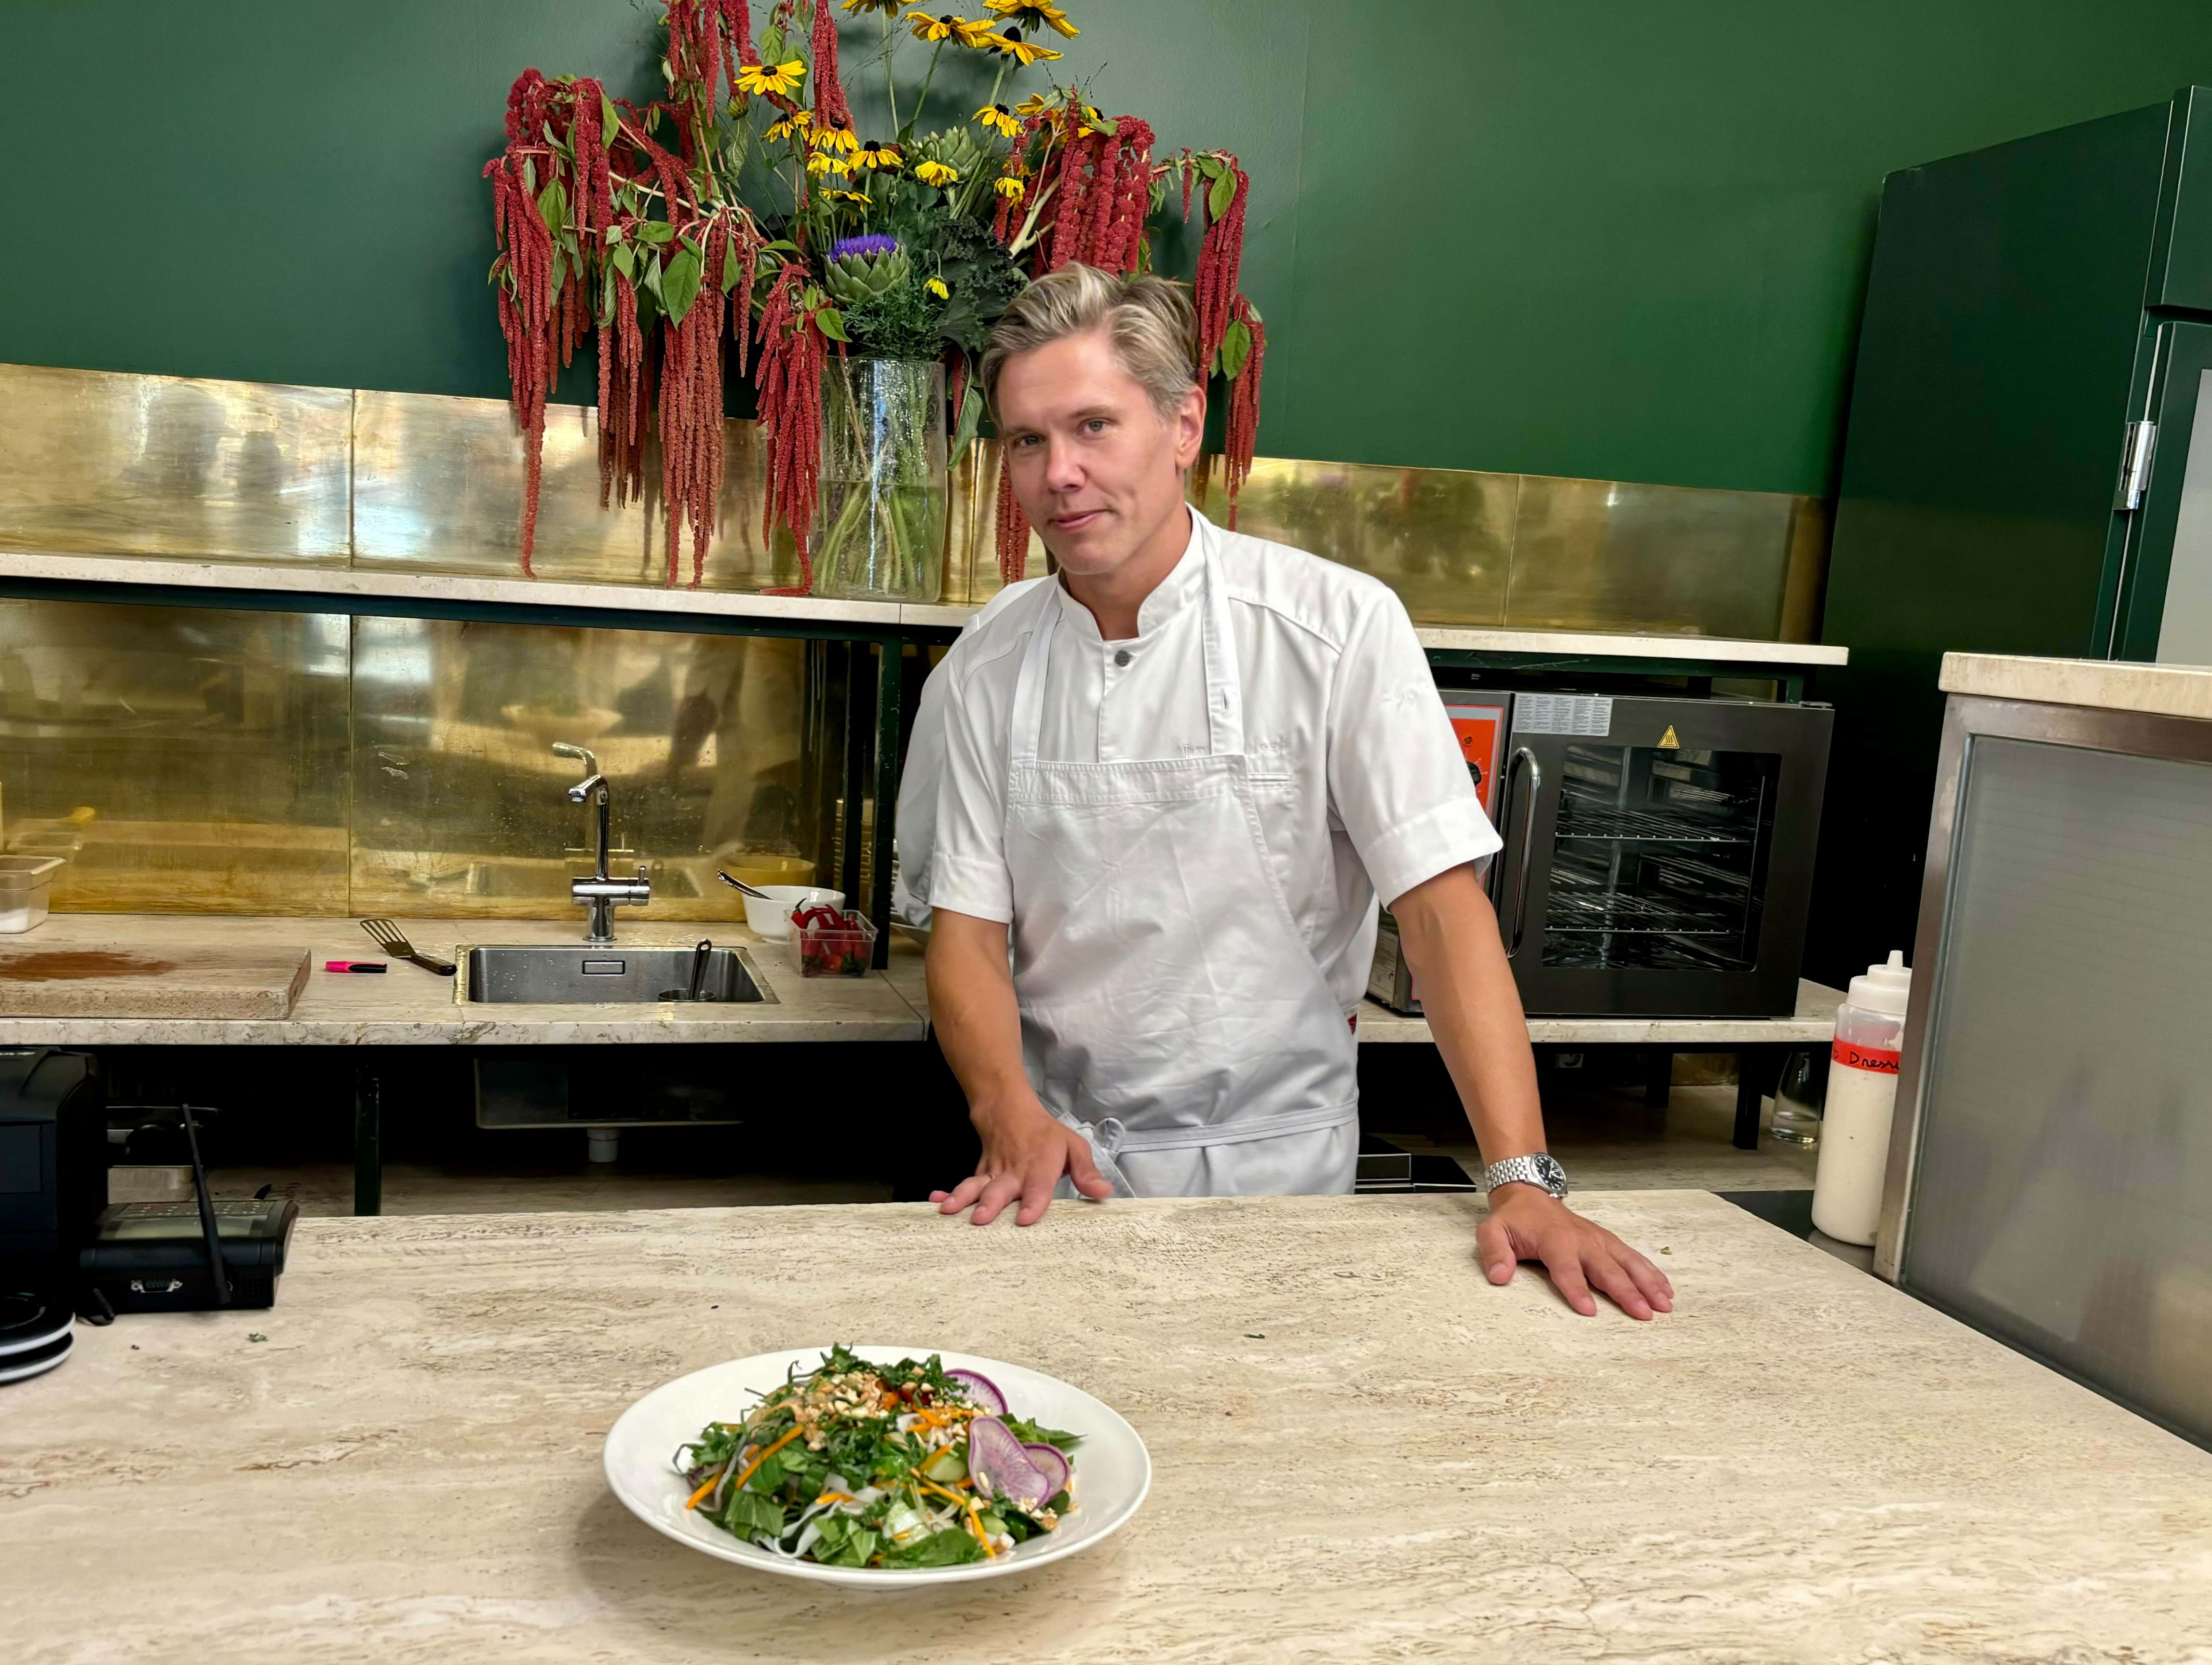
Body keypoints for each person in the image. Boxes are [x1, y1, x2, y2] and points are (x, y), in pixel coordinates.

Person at [900, 266, 1672, 1321]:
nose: (1060, 473)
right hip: (1052, 1173)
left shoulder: (1335, 629)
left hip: (1278, 1178)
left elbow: (1440, 914)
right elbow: (965, 931)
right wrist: (1007, 1113)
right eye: (1027, 441)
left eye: (1093, 426)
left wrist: (1521, 1178)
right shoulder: (985, 667)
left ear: (1183, 425)